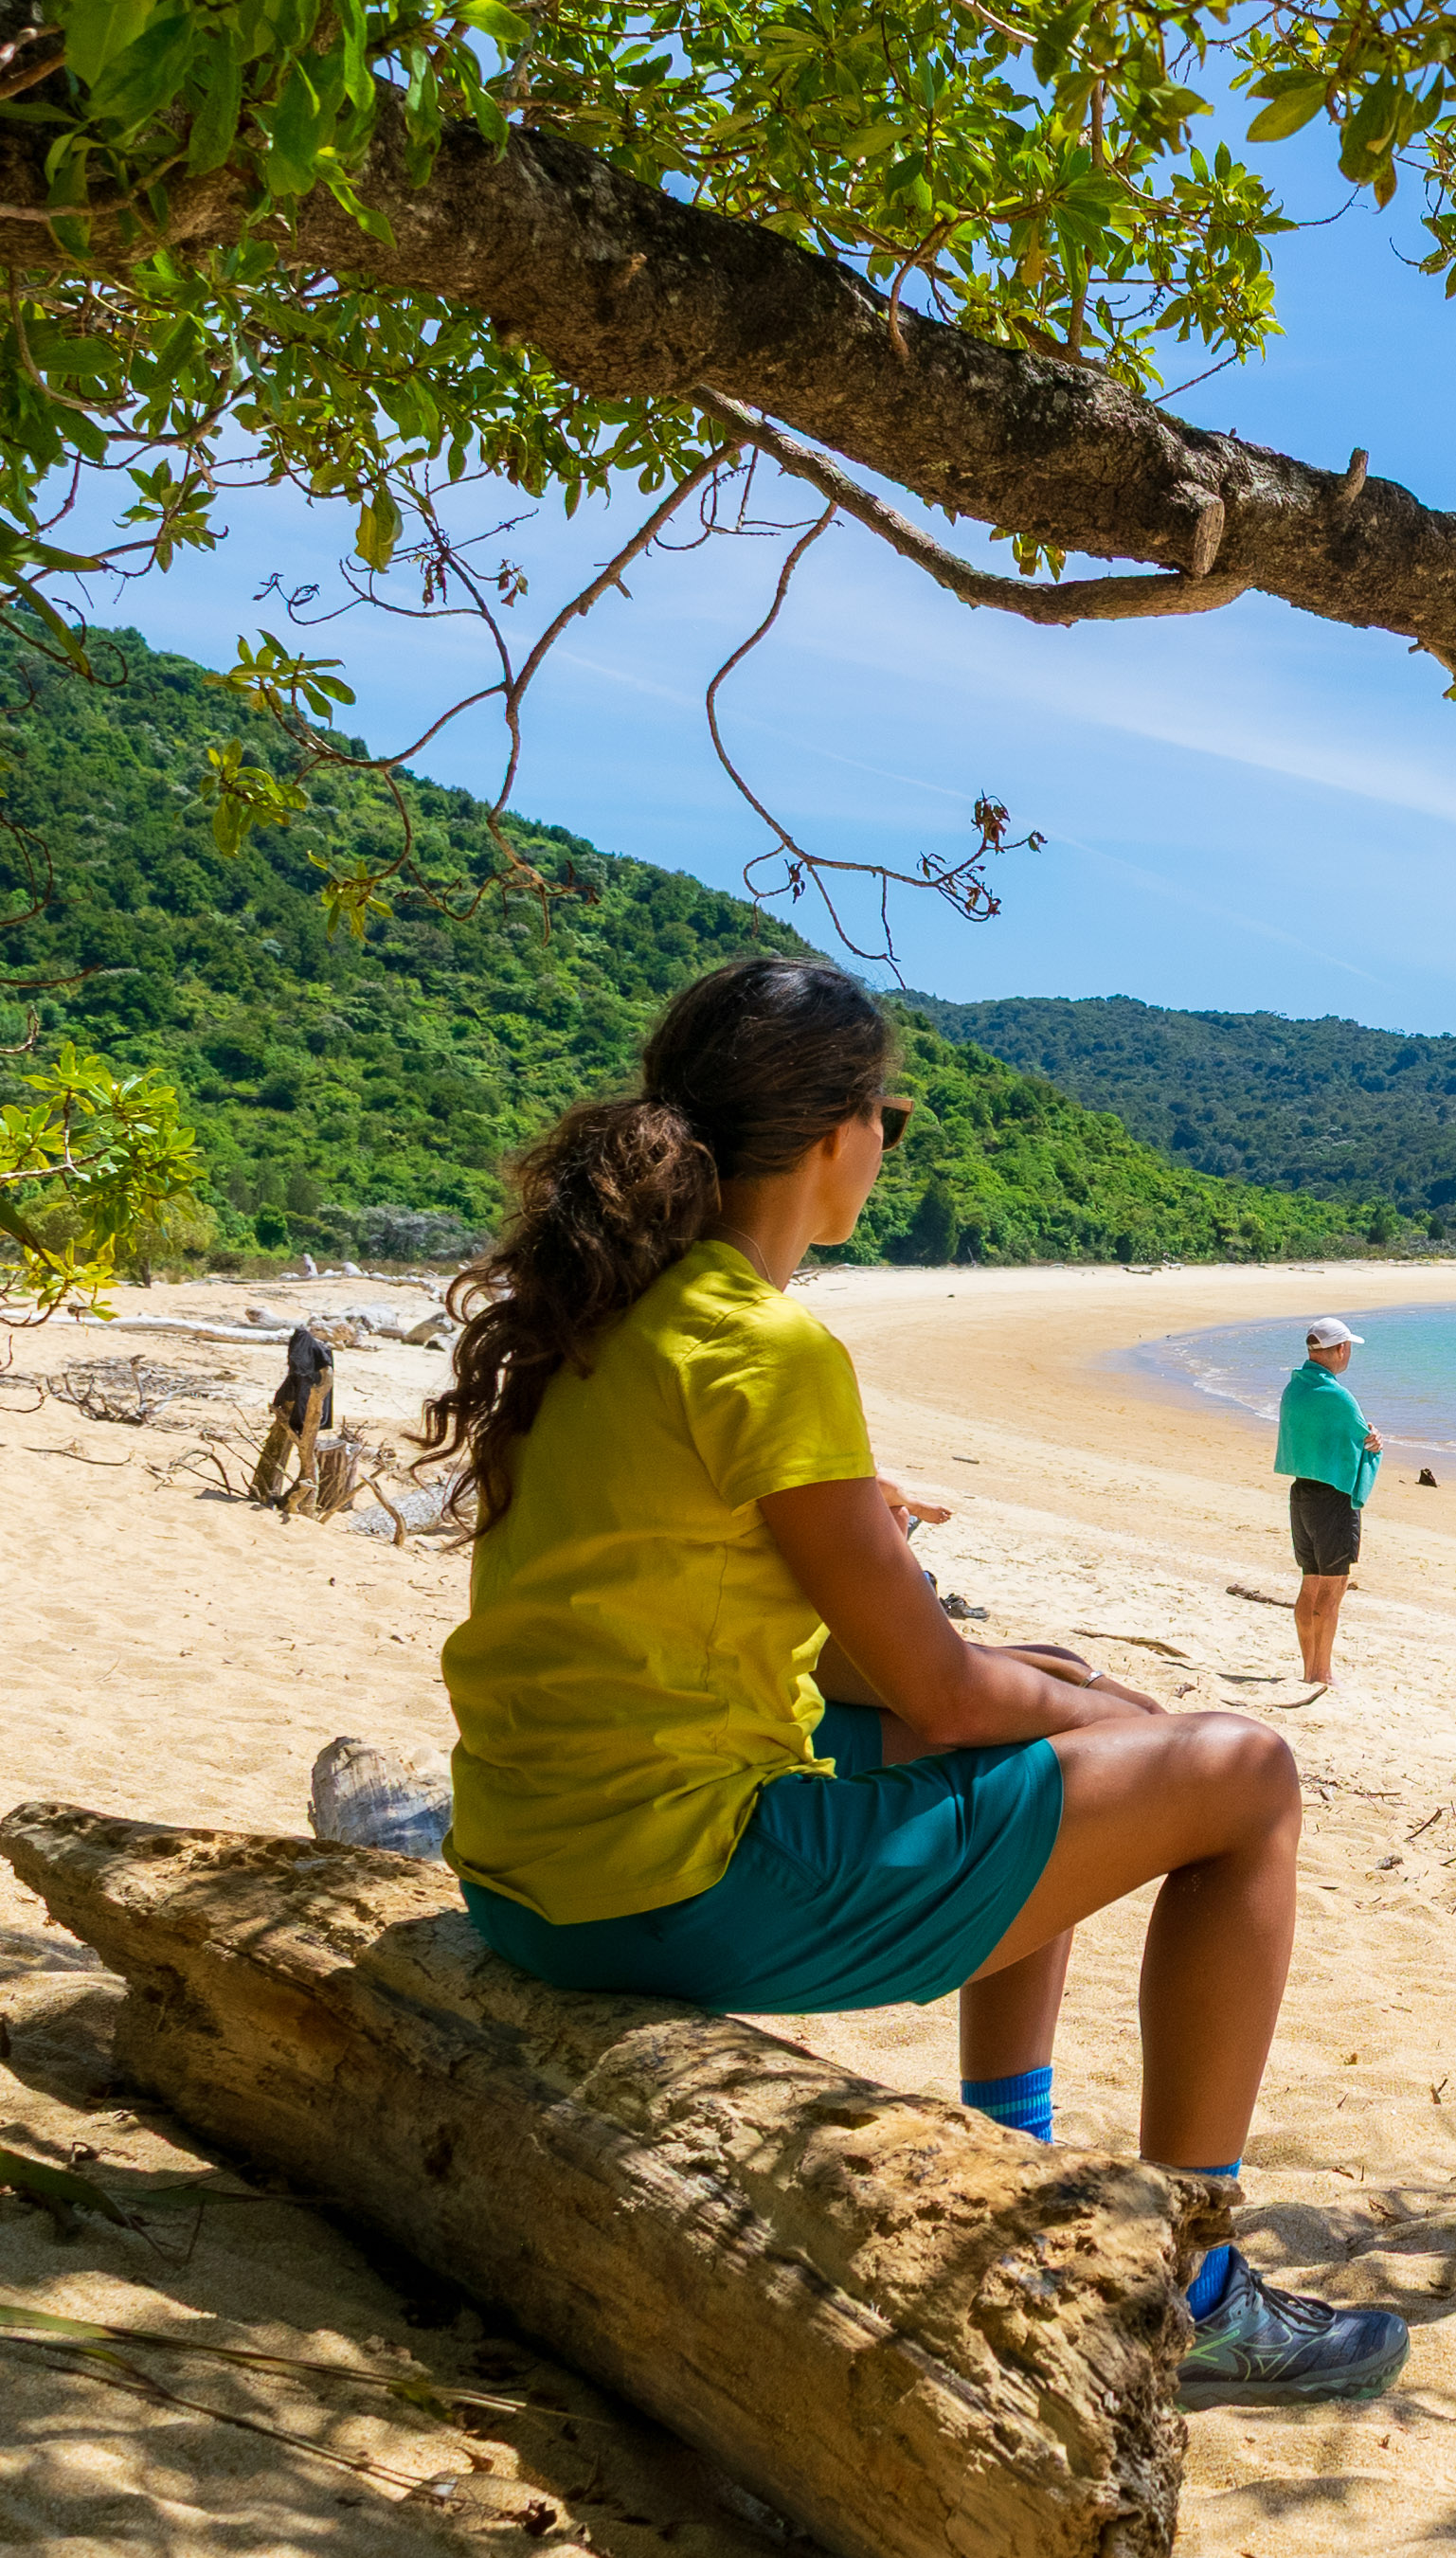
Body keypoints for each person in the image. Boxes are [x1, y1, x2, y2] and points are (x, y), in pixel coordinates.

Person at [422, 956, 1404, 2400]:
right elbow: (942, 1700)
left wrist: (1062, 1691)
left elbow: (813, 1649)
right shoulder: (770, 1349)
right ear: (838, 1137)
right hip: (664, 1887)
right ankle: (1193, 2280)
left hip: (525, 1868)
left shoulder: (615, 1317)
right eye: (893, 1116)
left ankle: (1012, 2152)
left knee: (1052, 1697)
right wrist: (1127, 1719)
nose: (888, 1144)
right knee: (1242, 1773)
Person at [1272, 1315, 1377, 1694]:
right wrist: (1376, 1443)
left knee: (1311, 1582)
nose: (1349, 1354)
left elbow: (1315, 1436)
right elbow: (1365, 1443)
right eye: (1348, 1348)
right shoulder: (1337, 1395)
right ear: (1340, 1349)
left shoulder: (1295, 1389)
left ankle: (1308, 1669)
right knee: (1332, 1590)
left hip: (1301, 1493)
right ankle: (1323, 1673)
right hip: (1332, 1499)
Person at [247, 1319, 338, 1510]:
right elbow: (299, 1365)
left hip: (306, 1397)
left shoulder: (313, 1345)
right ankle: (267, 1491)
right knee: (286, 1442)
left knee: (304, 1447)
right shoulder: (307, 1342)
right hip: (298, 1398)